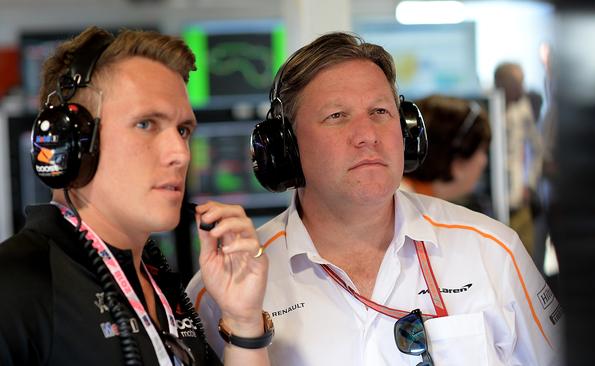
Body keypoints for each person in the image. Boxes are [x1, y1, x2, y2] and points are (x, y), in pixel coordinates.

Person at [188, 32, 563, 365]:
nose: (367, 134)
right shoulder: (223, 289)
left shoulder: (493, 252)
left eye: (380, 112)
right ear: (286, 147)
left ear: (406, 132)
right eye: (337, 116)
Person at [0, 26, 271, 366]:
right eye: (146, 124)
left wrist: (244, 323)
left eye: (183, 130)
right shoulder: (16, 285)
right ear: (72, 143)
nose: (181, 154)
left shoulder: (161, 285)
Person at [401, 94, 492, 215]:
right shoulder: (408, 212)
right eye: (483, 150)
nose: (484, 161)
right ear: (458, 163)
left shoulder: (407, 202)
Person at [494, 62, 545, 257]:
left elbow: (536, 149)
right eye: (517, 83)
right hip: (494, 201)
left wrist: (529, 184)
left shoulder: (522, 109)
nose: (521, 88)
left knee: (526, 257)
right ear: (501, 82)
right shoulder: (487, 106)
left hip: (519, 196)